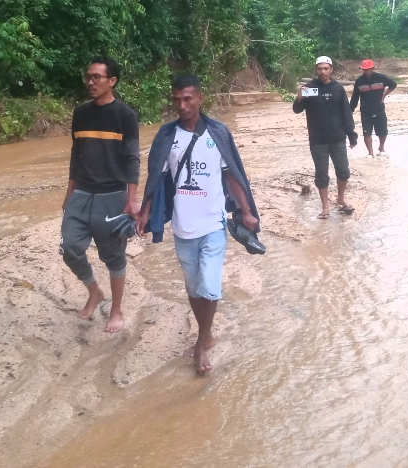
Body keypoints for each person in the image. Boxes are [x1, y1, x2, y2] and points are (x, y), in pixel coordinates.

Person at [137, 75, 260, 375]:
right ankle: (207, 333)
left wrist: (246, 210)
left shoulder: (217, 132)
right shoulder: (167, 136)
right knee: (193, 288)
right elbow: (156, 178)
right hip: (182, 225)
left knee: (209, 285)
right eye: (177, 99)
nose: (182, 105)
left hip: (214, 222)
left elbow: (233, 175)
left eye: (188, 99)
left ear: (200, 99)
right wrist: (145, 212)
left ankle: (201, 343)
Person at [60, 56, 140, 332]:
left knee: (113, 256)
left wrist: (131, 199)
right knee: (69, 247)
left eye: (97, 77)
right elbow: (75, 154)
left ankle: (116, 310)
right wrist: (69, 192)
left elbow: (132, 158)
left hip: (112, 196)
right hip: (82, 193)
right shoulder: (80, 113)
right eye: (88, 77)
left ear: (112, 81)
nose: (91, 82)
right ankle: (94, 291)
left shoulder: (125, 116)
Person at [293, 56, 358, 219]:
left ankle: (340, 199)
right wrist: (299, 97)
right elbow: (297, 109)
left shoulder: (338, 88)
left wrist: (352, 135)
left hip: (338, 138)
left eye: (326, 68)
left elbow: (346, 113)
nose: (323, 71)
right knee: (322, 174)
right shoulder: (310, 88)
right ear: (316, 70)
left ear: (331, 70)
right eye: (320, 68)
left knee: (343, 171)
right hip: (317, 140)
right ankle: (325, 206)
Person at [349, 59, 397, 156]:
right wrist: (350, 110)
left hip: (379, 109)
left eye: (368, 69)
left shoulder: (381, 78)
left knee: (383, 131)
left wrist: (384, 95)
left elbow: (393, 84)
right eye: (364, 69)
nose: (366, 71)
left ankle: (381, 147)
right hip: (365, 111)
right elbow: (355, 97)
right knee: (367, 133)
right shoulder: (359, 81)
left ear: (373, 68)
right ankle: (370, 153)